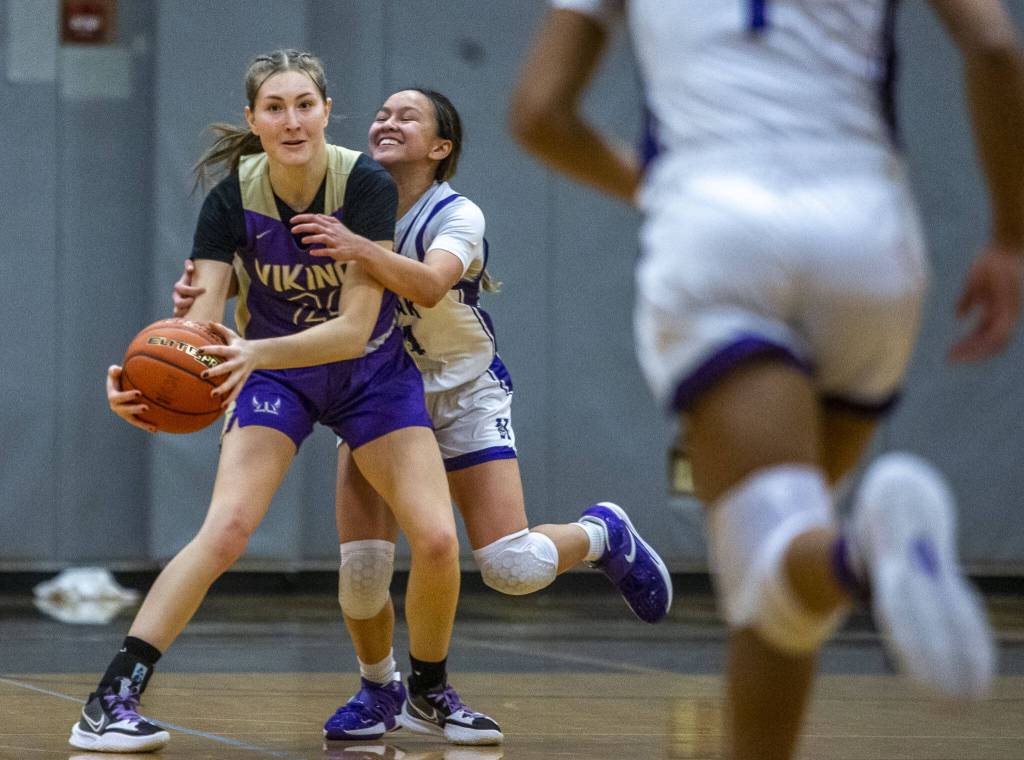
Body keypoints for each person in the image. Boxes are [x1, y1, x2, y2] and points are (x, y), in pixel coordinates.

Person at [509, 2, 1024, 759]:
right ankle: (859, 555)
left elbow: (540, 113)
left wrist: (658, 192)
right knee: (784, 574)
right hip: (867, 237)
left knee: (765, 566)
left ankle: (871, 553)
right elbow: (993, 47)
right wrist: (1011, 234)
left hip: (715, 224)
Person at [172, 86, 672, 744]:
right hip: (377, 388)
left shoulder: (455, 213)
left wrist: (358, 248)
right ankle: (380, 689)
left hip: (459, 390)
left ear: (440, 148)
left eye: (407, 116)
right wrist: (215, 286)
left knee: (510, 568)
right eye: (381, 112)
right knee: (361, 574)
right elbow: (271, 271)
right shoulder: (339, 193)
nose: (386, 120)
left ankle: (603, 534)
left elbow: (431, 283)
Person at [73, 49, 496, 753]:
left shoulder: (362, 182)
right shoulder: (230, 197)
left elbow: (355, 328)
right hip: (275, 375)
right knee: (229, 528)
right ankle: (111, 697)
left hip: (367, 371)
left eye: (305, 104)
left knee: (438, 538)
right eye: (275, 107)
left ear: (327, 112)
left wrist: (248, 353)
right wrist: (143, 385)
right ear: (254, 119)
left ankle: (428, 691)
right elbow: (200, 330)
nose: (292, 119)